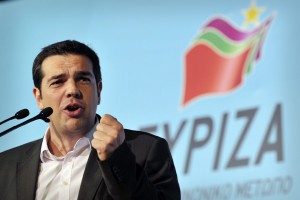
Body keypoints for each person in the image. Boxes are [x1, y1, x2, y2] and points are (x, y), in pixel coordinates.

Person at [0, 40, 180, 200]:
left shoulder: (146, 150)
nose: (72, 90)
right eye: (58, 82)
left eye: (83, 79)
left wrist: (117, 158)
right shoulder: (5, 166)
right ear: (38, 98)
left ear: (99, 91)